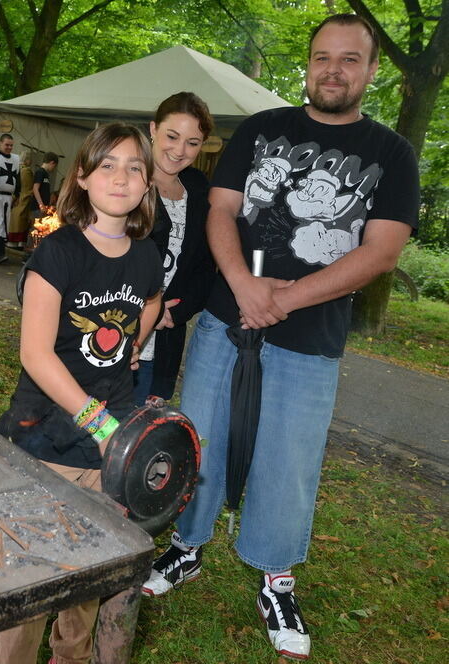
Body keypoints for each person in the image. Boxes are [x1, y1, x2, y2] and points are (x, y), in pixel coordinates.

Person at [142, 15, 420, 661]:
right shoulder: (261, 130)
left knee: (287, 461)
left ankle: (275, 576)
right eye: (322, 57)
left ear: (370, 70)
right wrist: (241, 286)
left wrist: (286, 299)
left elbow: (380, 251)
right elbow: (221, 209)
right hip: (222, 318)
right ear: (308, 64)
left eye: (348, 59)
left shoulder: (390, 153)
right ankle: (186, 546)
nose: (333, 69)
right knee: (200, 437)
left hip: (310, 338)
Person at [0, 122, 164, 664]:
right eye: (107, 164)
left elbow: (152, 300)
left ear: (147, 185)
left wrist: (137, 340)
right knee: (34, 579)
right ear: (82, 177)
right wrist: (99, 422)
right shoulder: (58, 253)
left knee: (87, 572)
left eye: (135, 167)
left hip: (112, 442)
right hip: (49, 435)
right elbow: (35, 354)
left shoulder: (147, 254)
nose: (122, 176)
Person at [132, 92, 216, 403]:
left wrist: (175, 312)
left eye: (192, 143)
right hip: (114, 331)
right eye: (172, 136)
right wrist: (146, 308)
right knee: (92, 425)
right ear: (153, 129)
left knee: (133, 438)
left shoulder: (197, 189)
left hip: (163, 342)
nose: (179, 151)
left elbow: (205, 267)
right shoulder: (125, 179)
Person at [0, 133, 20, 264]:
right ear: (0, 143)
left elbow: (17, 178)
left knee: (5, 224)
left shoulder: (16, 159)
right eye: (6, 145)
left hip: (8, 198)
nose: (9, 147)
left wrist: (17, 194)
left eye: (11, 145)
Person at [30, 151, 58, 219]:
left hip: (43, 208)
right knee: (36, 228)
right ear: (52, 163)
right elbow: (35, 189)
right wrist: (41, 205)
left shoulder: (46, 174)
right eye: (54, 166)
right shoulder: (40, 172)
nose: (53, 168)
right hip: (37, 208)